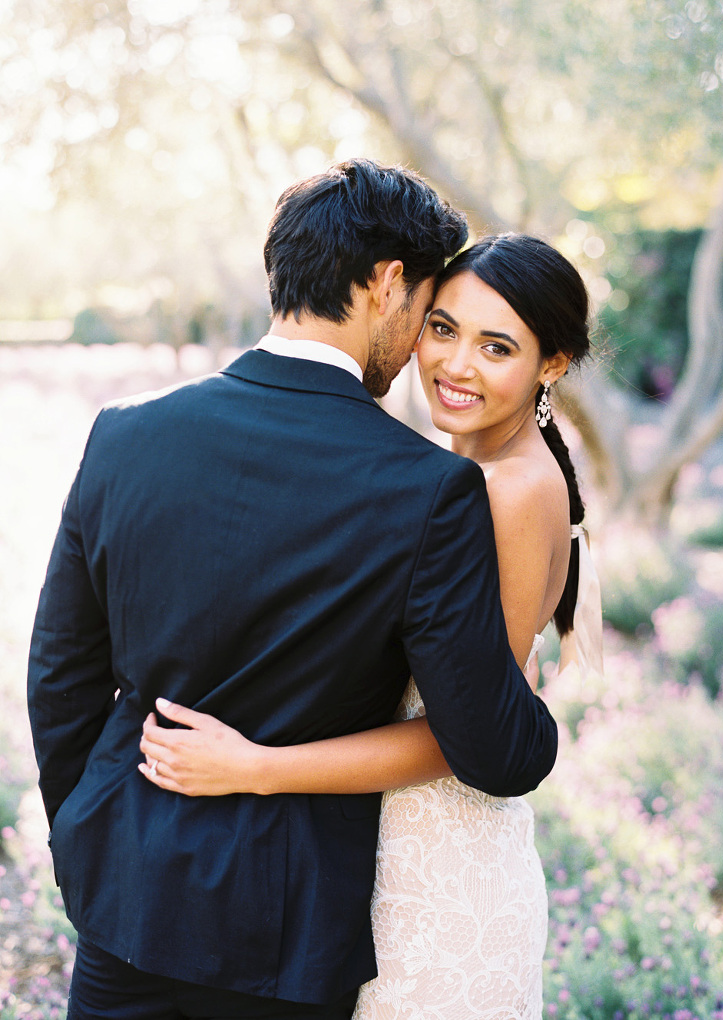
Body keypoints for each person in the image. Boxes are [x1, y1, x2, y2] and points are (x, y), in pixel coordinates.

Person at [27, 163, 559, 1020]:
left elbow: (60, 677)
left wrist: (93, 842)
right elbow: (500, 755)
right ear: (390, 284)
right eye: (430, 310)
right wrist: (527, 700)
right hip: (287, 936)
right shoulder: (427, 490)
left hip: (126, 904)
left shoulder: (125, 435)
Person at [138, 233, 598, 1019]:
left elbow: (469, 738)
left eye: (497, 347)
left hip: (441, 873)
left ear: (550, 366)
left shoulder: (509, 491)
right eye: (443, 329)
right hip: (375, 849)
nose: (455, 366)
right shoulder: (461, 472)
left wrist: (254, 766)